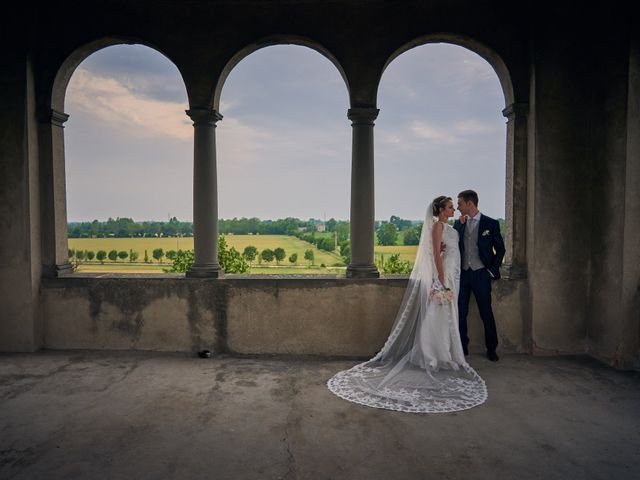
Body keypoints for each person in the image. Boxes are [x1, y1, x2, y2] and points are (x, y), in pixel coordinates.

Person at [327, 196, 487, 413]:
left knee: (449, 313)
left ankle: (446, 353)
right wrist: (440, 278)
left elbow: (446, 249)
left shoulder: (450, 226)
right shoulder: (437, 226)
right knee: (439, 314)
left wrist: (461, 225)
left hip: (455, 273)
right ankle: (432, 353)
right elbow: (437, 258)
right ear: (440, 210)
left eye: (453, 206)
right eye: (450, 207)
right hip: (446, 275)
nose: (453, 209)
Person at [454, 190, 505, 362]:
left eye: (460, 203)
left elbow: (501, 250)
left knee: (486, 312)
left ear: (470, 204)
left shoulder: (490, 223)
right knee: (461, 312)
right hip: (463, 275)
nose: (457, 207)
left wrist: (491, 270)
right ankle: (462, 347)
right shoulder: (459, 224)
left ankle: (492, 348)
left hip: (481, 274)